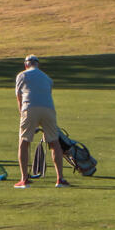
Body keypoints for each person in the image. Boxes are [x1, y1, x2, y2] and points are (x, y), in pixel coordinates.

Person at [15, 54, 68, 188]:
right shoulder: (47, 78)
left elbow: (19, 97)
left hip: (30, 107)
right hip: (48, 109)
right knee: (54, 142)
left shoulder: (22, 75)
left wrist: (22, 113)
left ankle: (24, 179)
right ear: (37, 64)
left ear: (26, 64)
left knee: (24, 141)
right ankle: (60, 178)